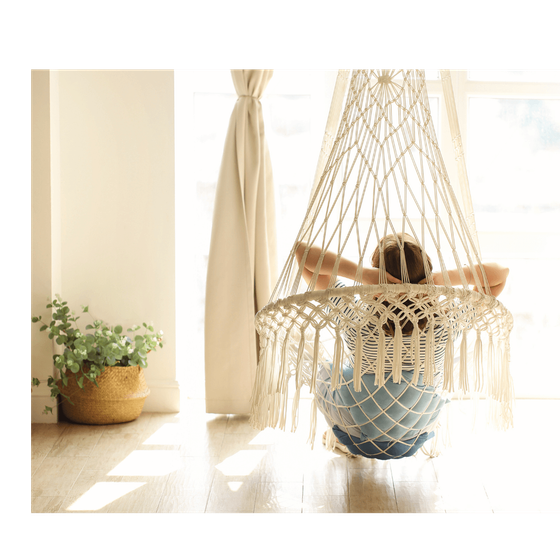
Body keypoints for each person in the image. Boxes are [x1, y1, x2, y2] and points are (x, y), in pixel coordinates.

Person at [295, 234, 509, 459]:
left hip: (357, 435)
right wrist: (438, 280)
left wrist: (364, 275)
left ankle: (340, 437)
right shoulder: (444, 324)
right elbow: (500, 275)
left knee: (328, 371)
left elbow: (302, 254)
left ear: (378, 279)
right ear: (425, 274)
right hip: (413, 435)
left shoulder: (355, 318)